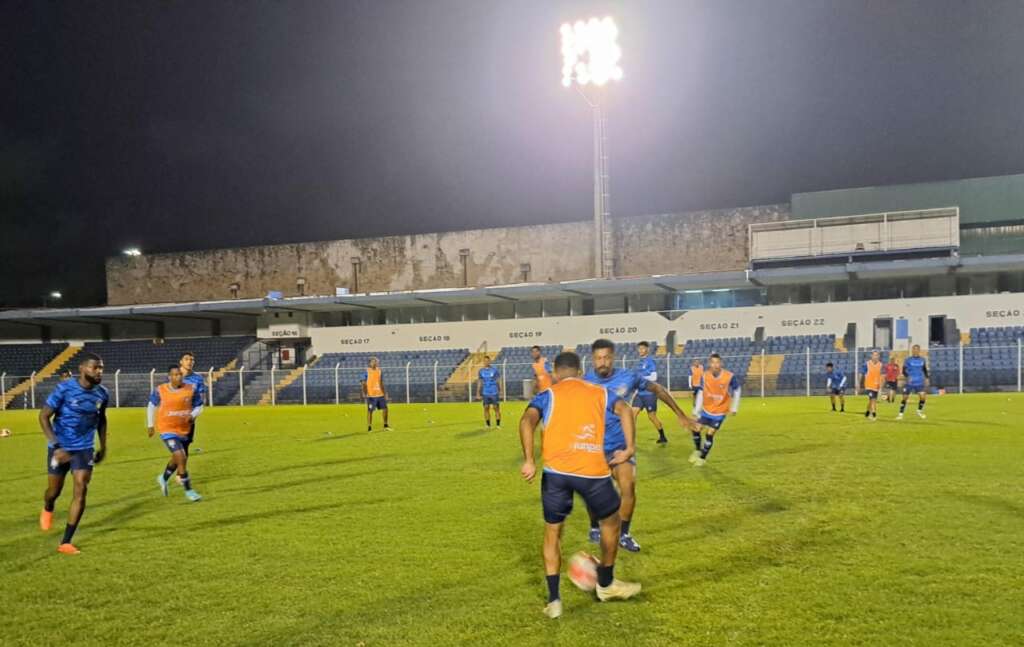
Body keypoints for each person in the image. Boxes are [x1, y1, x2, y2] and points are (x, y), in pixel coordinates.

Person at [518, 351, 641, 619]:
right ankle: (605, 584)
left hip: (556, 473)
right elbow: (625, 410)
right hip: (592, 472)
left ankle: (554, 601)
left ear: (555, 372)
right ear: (581, 371)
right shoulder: (599, 392)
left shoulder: (548, 395)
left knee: (553, 532)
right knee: (611, 522)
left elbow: (527, 420)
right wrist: (629, 448)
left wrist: (529, 460)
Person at [584, 339, 696, 552]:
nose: (603, 362)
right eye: (598, 358)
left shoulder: (628, 377)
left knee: (628, 487)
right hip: (593, 447)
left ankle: (624, 534)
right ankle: (594, 526)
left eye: (606, 357)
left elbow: (658, 389)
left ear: (613, 357)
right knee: (594, 493)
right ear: (592, 359)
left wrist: (681, 414)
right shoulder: (585, 382)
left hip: (621, 445)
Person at [37, 353, 109, 554]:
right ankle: (48, 506)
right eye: (95, 367)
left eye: (101, 368)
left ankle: (66, 541)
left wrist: (103, 446)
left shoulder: (102, 393)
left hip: (84, 448)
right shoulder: (65, 388)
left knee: (81, 487)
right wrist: (56, 446)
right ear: (82, 369)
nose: (99, 371)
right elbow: (43, 416)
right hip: (60, 446)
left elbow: (102, 419)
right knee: (54, 491)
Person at [148, 365, 205, 501]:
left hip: (184, 429)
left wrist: (192, 415)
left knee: (176, 458)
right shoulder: (160, 390)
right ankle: (189, 490)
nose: (178, 377)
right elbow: (151, 405)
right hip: (167, 429)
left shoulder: (191, 389)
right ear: (169, 377)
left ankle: (163, 478)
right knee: (181, 456)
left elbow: (199, 405)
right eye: (175, 375)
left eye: (180, 374)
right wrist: (150, 425)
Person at [690, 353, 741, 467]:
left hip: (720, 411)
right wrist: (696, 410)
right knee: (696, 429)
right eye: (713, 362)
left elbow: (737, 389)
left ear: (721, 363)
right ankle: (697, 450)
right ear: (709, 364)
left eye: (717, 362)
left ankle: (702, 458)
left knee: (709, 434)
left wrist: (734, 407)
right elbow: (701, 392)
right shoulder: (705, 376)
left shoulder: (729, 376)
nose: (715, 365)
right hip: (706, 409)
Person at [630, 341, 669, 444]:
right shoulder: (638, 362)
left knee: (652, 417)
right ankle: (630, 439)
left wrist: (642, 378)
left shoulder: (650, 361)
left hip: (649, 394)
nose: (640, 350)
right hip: (640, 393)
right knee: (633, 413)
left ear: (647, 349)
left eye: (642, 348)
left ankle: (662, 436)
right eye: (639, 348)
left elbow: (654, 377)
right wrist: (635, 391)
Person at [178, 351, 207, 452]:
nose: (189, 361)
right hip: (174, 416)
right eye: (186, 359)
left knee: (184, 445)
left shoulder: (198, 378)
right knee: (177, 446)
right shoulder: (174, 376)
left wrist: (193, 415)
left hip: (189, 417)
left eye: (191, 360)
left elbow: (201, 399)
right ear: (181, 361)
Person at [897, 345, 929, 420]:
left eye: (917, 349)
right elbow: (903, 371)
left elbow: (924, 370)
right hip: (910, 382)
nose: (915, 350)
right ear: (912, 350)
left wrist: (927, 378)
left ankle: (919, 411)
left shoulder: (922, 359)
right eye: (914, 349)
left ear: (919, 350)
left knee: (923, 397)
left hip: (919, 382)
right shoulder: (908, 360)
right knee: (905, 398)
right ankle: (900, 414)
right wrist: (907, 376)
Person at [361, 357, 391, 432]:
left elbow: (381, 383)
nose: (375, 363)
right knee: (370, 411)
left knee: (385, 409)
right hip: (371, 395)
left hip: (380, 394)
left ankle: (385, 425)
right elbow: (363, 383)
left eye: (376, 362)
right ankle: (369, 427)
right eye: (373, 362)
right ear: (370, 363)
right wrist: (364, 393)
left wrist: (385, 393)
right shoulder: (366, 371)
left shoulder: (379, 371)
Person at [476, 355, 502, 428]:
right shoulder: (481, 371)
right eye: (485, 361)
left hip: (494, 391)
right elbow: (480, 382)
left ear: (490, 361)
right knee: (486, 408)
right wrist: (478, 392)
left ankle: (498, 425)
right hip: (485, 392)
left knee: (496, 408)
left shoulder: (494, 370)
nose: (486, 362)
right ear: (483, 362)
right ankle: (488, 425)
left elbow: (499, 380)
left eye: (487, 361)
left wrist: (501, 390)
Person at [861, 350, 884, 421]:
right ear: (871, 356)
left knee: (871, 400)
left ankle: (867, 411)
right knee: (872, 399)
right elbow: (862, 374)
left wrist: (881, 385)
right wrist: (859, 384)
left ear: (879, 356)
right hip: (868, 385)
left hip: (876, 386)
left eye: (877, 355)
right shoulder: (867, 364)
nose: (875, 356)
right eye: (874, 355)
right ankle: (874, 415)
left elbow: (882, 376)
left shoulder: (881, 365)